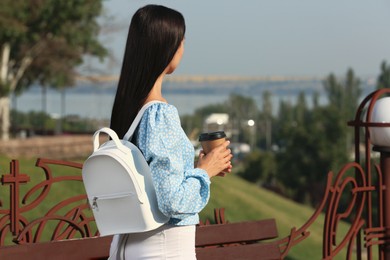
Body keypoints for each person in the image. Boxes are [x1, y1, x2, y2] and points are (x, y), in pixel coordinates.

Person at [108, 4, 233, 260]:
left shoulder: (129, 110)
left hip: (128, 247)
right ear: (167, 47)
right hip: (163, 249)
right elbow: (172, 202)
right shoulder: (159, 115)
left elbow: (154, 184)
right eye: (182, 41)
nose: (184, 48)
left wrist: (198, 169)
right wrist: (205, 171)